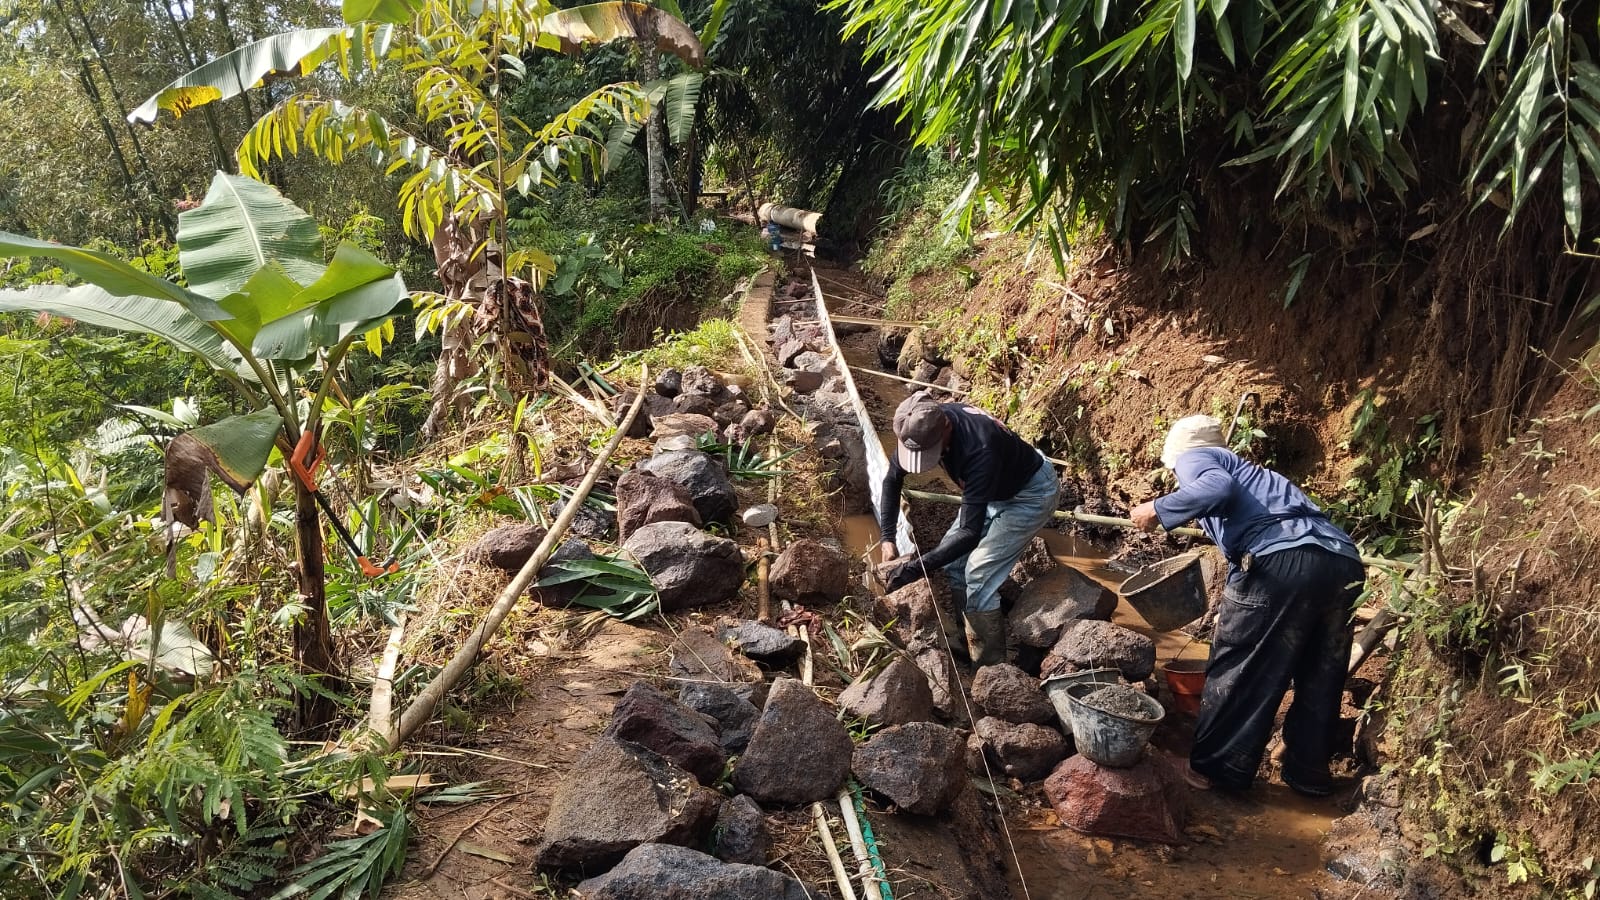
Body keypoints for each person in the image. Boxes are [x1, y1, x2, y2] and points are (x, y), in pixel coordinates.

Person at [1129, 414, 1365, 796]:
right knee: (1321, 674)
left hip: (1281, 562)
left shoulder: (1197, 458)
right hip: (1343, 561)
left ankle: (1215, 771)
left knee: (1240, 667)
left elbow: (1216, 488)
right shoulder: (1263, 477)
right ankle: (1308, 774)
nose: (1178, 476)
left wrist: (1156, 508)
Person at [877, 392, 1060, 665]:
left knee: (979, 573)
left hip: (1029, 495)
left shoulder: (980, 447)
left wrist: (917, 568)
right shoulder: (917, 426)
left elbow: (969, 534)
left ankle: (991, 668)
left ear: (947, 428)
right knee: (954, 566)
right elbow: (892, 481)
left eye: (930, 454)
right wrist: (887, 538)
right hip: (992, 490)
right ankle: (969, 639)